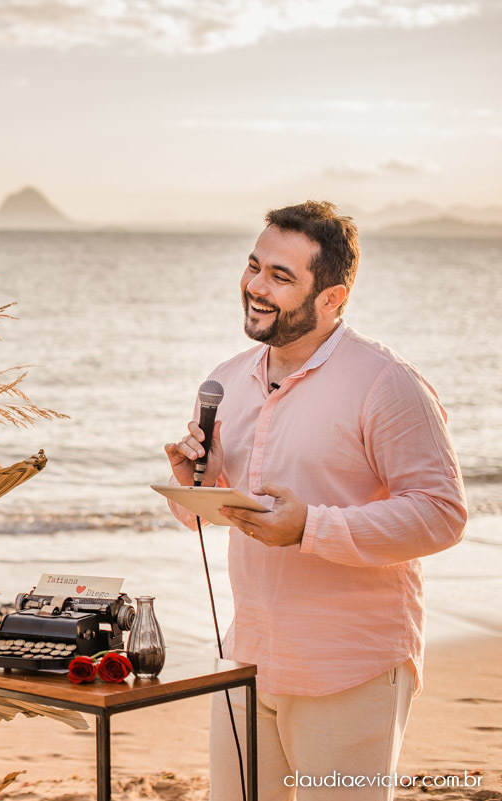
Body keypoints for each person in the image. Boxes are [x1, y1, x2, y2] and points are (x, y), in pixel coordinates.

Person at [163, 201, 466, 801]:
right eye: (254, 266)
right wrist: (200, 486)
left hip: (349, 668)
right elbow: (223, 510)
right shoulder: (228, 377)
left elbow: (441, 513)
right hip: (247, 662)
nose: (255, 287)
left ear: (333, 297)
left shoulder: (386, 383)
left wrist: (309, 528)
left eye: (281, 276)